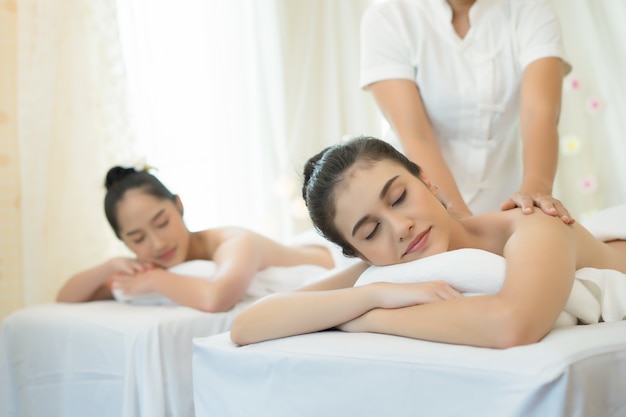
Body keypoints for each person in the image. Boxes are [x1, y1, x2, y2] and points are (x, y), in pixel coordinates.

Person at [230, 137, 626, 348]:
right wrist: (374, 294)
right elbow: (246, 325)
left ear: (427, 180)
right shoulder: (382, 272)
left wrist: (362, 320)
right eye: (370, 232)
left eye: (399, 197)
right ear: (358, 253)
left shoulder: (531, 226)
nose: (399, 226)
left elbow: (511, 325)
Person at [360, 0, 573, 222]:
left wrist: (534, 194)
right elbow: (415, 134)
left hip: (503, 202)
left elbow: (540, 114)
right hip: (419, 205)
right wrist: (456, 215)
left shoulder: (531, 11)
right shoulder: (388, 16)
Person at [56, 165, 336, 312]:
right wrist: (110, 267)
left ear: (178, 205)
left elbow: (216, 299)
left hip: (334, 260)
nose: (158, 244)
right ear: (123, 240)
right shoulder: (150, 264)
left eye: (162, 223)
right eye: (137, 238)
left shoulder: (234, 242)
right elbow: (65, 298)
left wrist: (155, 280)